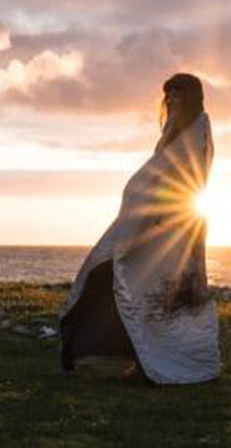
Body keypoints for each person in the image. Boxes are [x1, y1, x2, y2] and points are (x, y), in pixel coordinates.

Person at [59, 73, 219, 385]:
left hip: (172, 227)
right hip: (162, 223)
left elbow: (174, 176)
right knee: (140, 290)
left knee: (160, 297)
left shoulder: (197, 128)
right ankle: (141, 360)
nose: (171, 99)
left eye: (177, 94)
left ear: (192, 97)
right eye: (168, 94)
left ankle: (157, 364)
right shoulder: (180, 130)